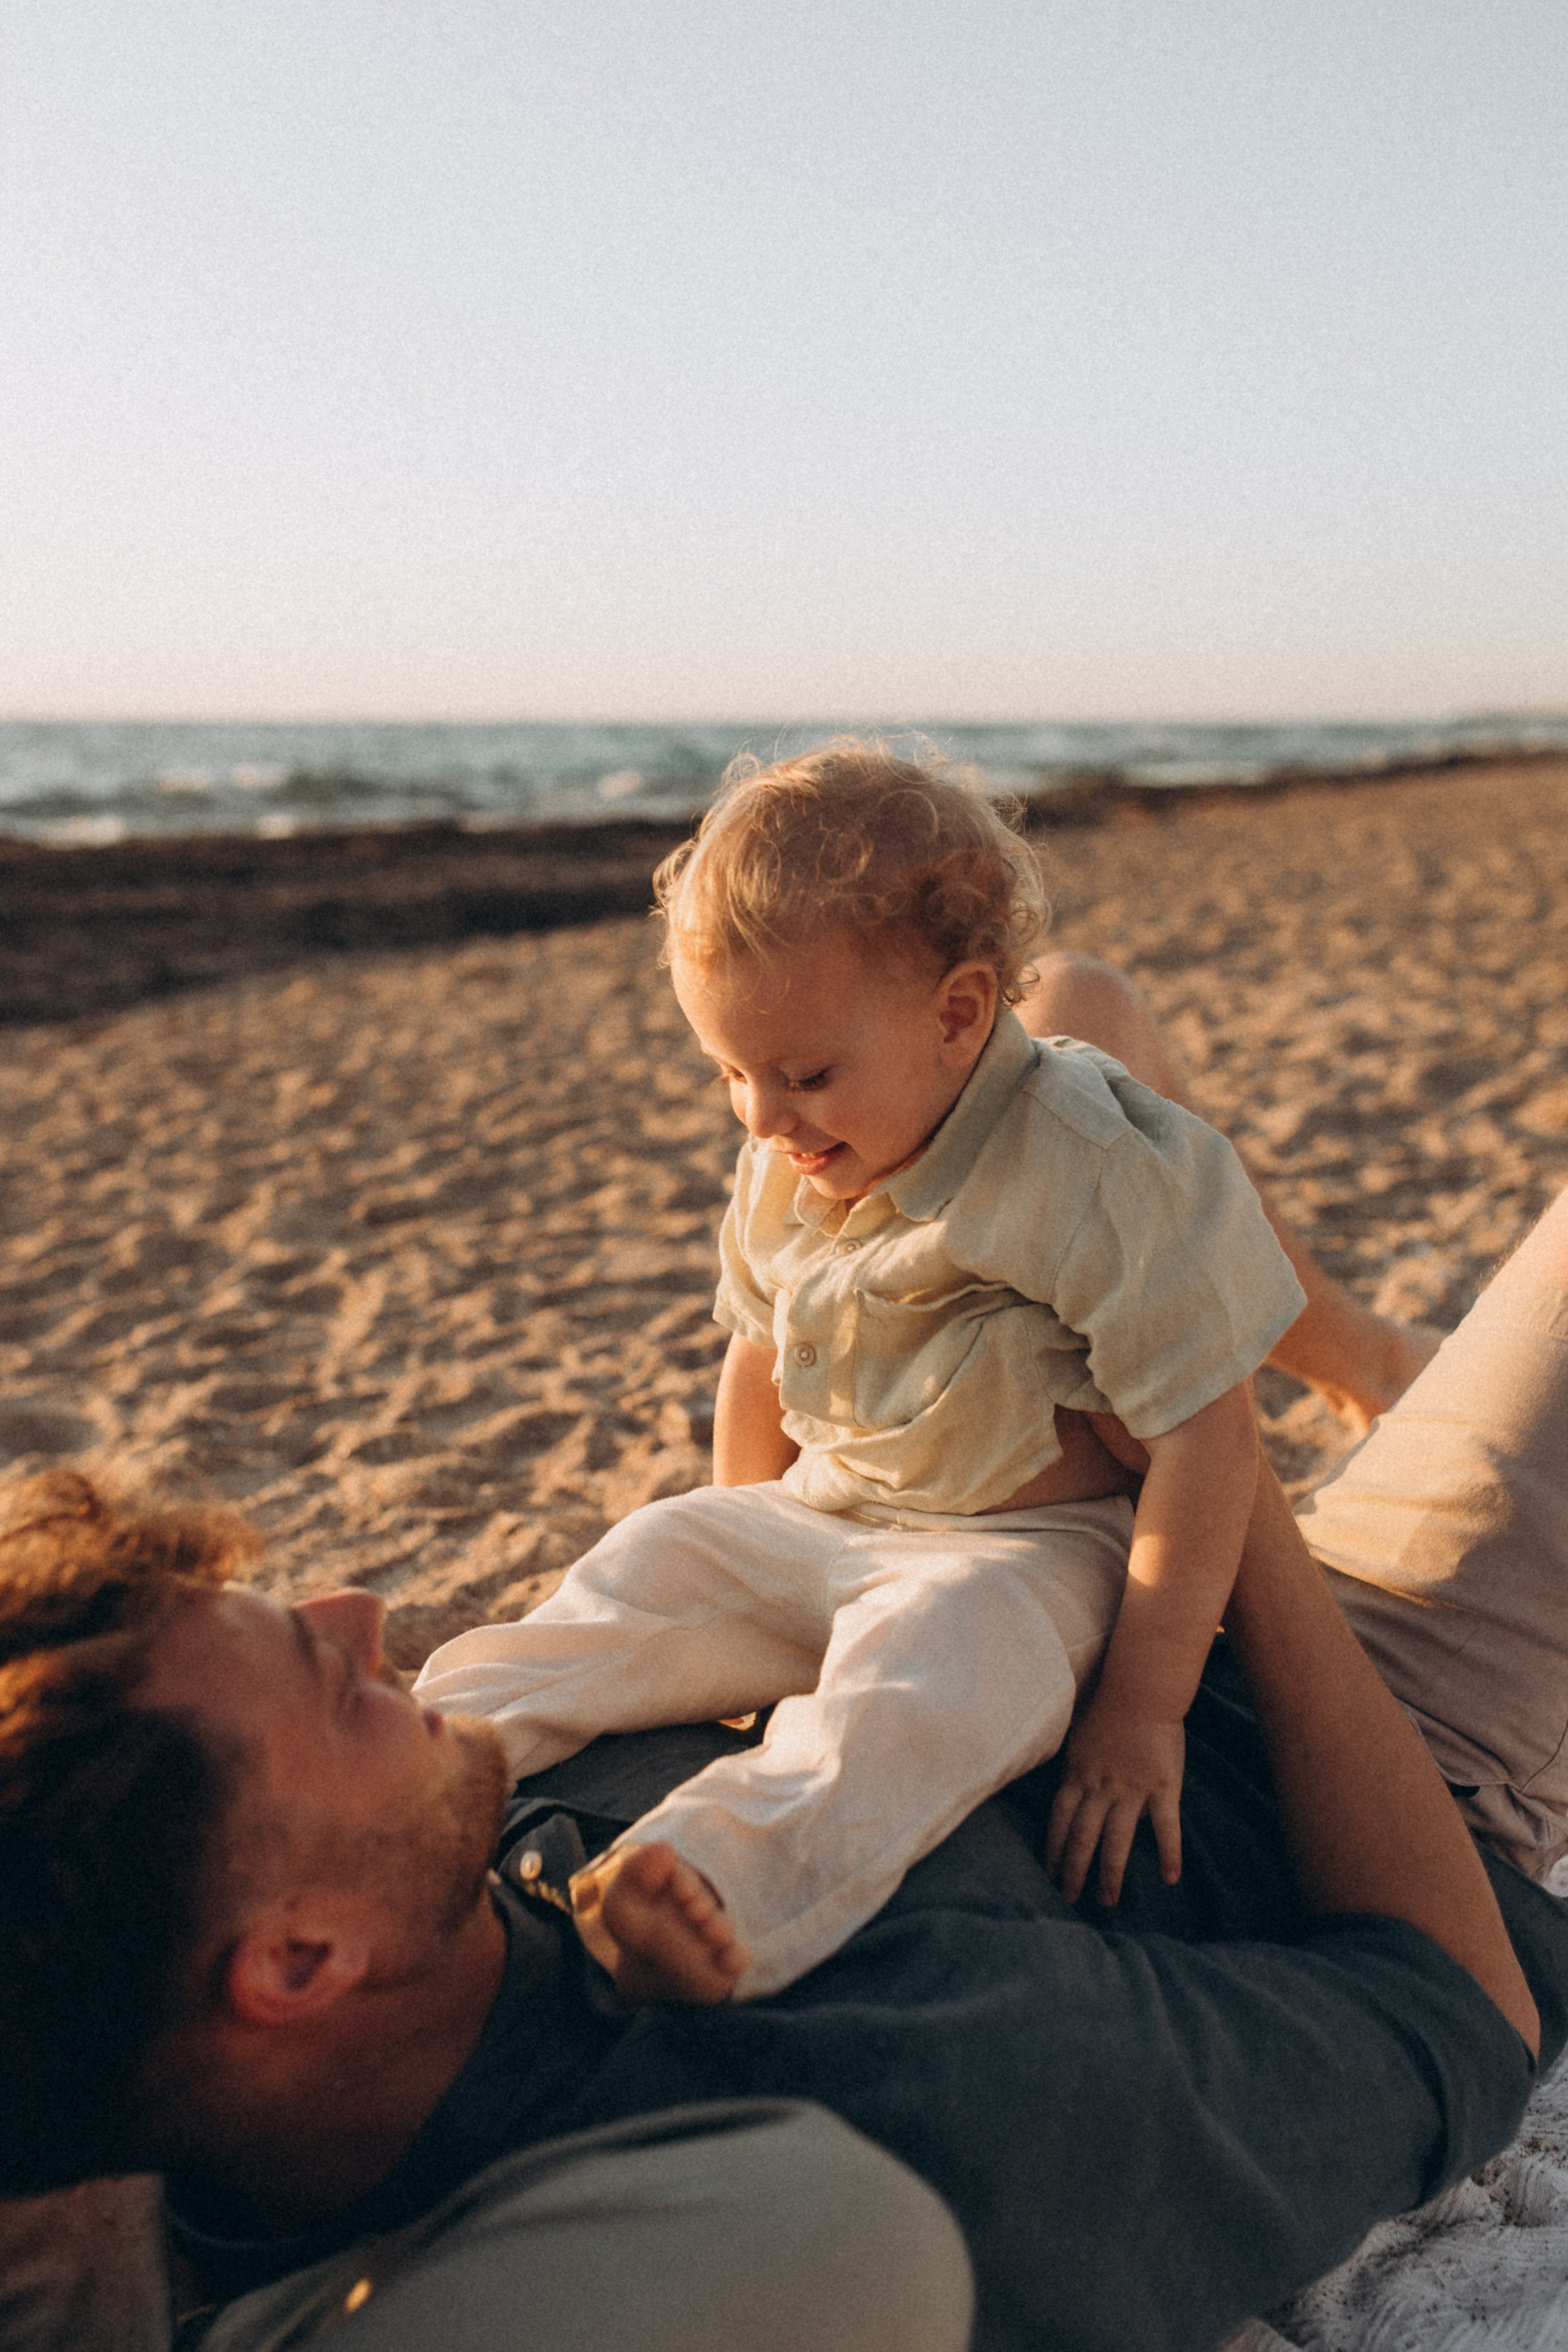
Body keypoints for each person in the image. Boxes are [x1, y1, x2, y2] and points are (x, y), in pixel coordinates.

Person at [412, 742, 1313, 2000]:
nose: (764, 1119)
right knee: (645, 1562)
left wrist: (1140, 1708)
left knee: (926, 1680)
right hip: (827, 1515)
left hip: (1023, 1549)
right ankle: (426, 1759)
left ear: (956, 1013)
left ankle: (723, 1877)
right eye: (730, 1074)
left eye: (802, 1074)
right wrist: (740, 1529)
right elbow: (758, 1358)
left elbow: (1208, 1443)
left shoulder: (1090, 1165)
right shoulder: (796, 1149)